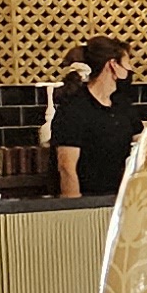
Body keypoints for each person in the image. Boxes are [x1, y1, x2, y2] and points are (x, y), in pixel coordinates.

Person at [46, 38, 137, 201]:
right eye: (127, 63)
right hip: (87, 202)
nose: (130, 69)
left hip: (118, 201)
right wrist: (75, 208)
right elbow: (66, 167)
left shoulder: (122, 105)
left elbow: (142, 141)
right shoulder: (74, 109)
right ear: (113, 65)